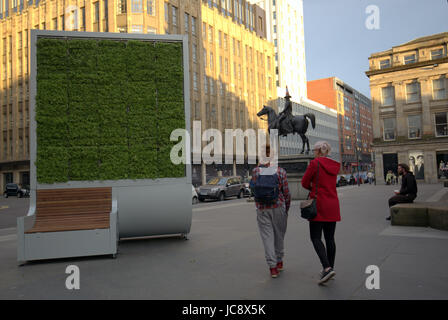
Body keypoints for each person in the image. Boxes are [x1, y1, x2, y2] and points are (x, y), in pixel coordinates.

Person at [301, 141, 341, 285]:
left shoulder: (315, 163)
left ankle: (327, 268)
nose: (313, 152)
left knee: (316, 237)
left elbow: (304, 182)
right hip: (333, 204)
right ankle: (331, 268)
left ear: (318, 151)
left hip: (318, 204)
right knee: (330, 238)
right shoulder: (334, 165)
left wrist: (313, 185)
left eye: (314, 150)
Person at [251, 144, 291, 278]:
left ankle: (272, 267)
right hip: (278, 207)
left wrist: (258, 206)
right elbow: (286, 193)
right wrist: (287, 209)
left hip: (262, 209)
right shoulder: (280, 171)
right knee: (279, 235)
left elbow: (254, 190)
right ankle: (279, 261)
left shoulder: (256, 171)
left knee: (267, 238)